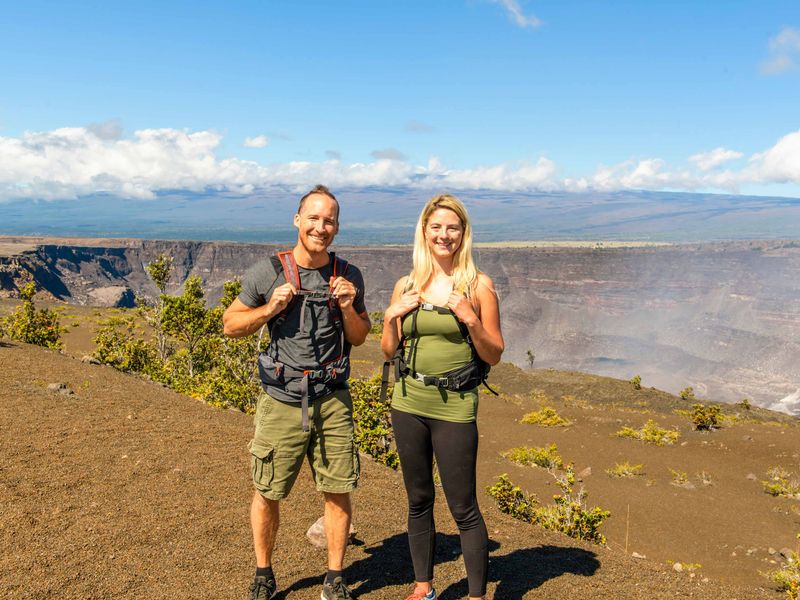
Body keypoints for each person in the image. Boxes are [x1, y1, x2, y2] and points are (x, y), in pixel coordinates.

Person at [223, 185, 371, 600]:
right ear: (297, 220)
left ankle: (335, 578)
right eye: (313, 218)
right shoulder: (267, 271)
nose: (320, 227)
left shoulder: (349, 274)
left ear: (337, 227)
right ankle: (264, 572)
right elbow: (230, 325)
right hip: (283, 400)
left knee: (339, 488)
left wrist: (346, 306)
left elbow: (360, 336)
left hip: (331, 398)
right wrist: (269, 309)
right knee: (268, 490)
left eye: (328, 221)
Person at [381, 194, 504, 600]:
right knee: (418, 498)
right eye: (436, 227)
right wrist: (390, 316)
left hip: (454, 406)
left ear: (464, 233)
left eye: (452, 227)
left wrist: (470, 318)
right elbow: (387, 350)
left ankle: (474, 595)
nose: (443, 234)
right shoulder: (407, 284)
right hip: (408, 402)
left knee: (463, 506)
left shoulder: (478, 285)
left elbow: (495, 353)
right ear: (424, 231)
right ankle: (423, 586)